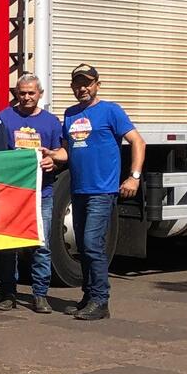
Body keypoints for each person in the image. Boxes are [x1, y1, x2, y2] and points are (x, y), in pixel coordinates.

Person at [62, 63, 146, 321]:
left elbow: (138, 141)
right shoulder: (70, 114)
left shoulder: (111, 111)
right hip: (79, 189)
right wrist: (49, 154)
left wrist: (134, 177)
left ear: (98, 84)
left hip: (102, 190)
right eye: (78, 83)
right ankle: (88, 296)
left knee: (91, 243)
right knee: (83, 247)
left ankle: (101, 301)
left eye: (87, 83)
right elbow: (68, 151)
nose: (82, 88)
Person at [0, 74, 68, 313]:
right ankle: (7, 292)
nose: (26, 97)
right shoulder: (3, 118)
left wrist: (52, 162)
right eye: (22, 93)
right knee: (8, 245)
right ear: (16, 93)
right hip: (11, 193)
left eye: (31, 93)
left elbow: (60, 152)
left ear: (40, 94)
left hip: (41, 193)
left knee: (41, 244)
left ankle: (40, 294)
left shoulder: (51, 122)